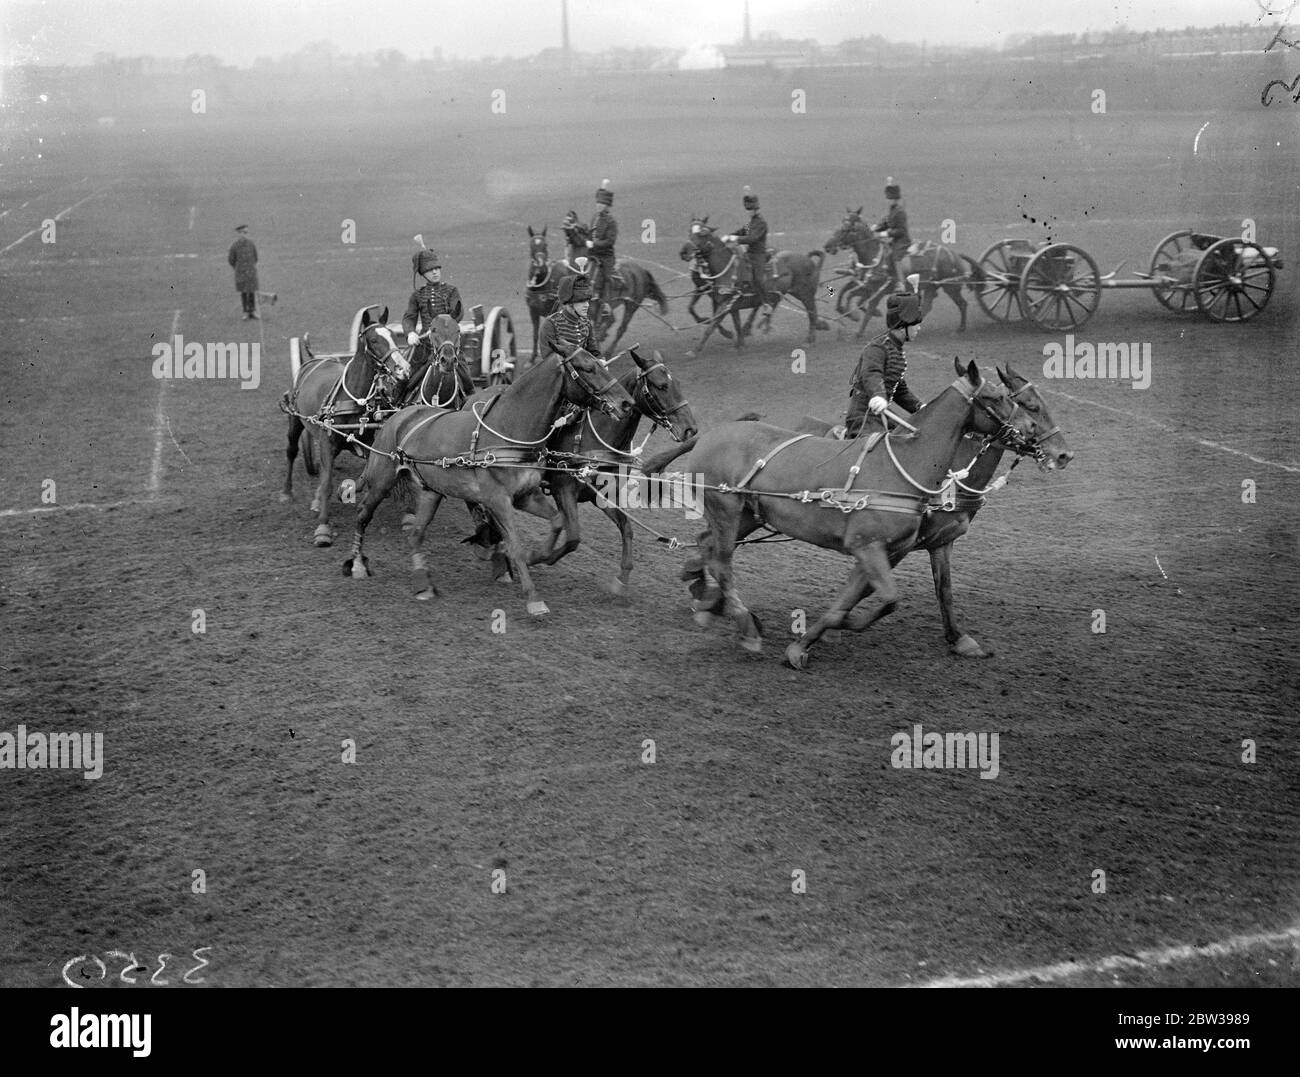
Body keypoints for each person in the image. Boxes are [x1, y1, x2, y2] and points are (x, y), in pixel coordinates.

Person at [844, 291, 923, 438]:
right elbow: (871, 374)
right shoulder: (877, 348)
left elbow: (899, 390)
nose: (919, 328)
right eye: (916, 325)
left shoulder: (895, 349)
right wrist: (878, 395)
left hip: (881, 415)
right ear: (902, 326)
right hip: (863, 417)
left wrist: (921, 408)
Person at [402, 247, 464, 396]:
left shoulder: (451, 290)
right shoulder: (418, 295)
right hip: (425, 344)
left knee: (464, 373)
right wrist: (410, 333)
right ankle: (397, 403)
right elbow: (409, 317)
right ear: (423, 274)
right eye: (431, 270)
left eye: (437, 268)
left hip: (448, 340)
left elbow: (458, 313)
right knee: (405, 376)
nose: (435, 272)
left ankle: (469, 398)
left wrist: (441, 327)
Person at [537, 273, 601, 366]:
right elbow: (549, 361)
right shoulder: (551, 324)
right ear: (569, 303)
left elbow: (594, 352)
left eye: (587, 301)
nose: (587, 305)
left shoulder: (586, 323)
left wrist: (600, 361)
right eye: (582, 301)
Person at [723, 186, 770, 311]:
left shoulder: (761, 223)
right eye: (747, 209)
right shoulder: (751, 222)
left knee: (759, 279)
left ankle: (767, 303)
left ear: (756, 209)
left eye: (751, 209)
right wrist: (729, 236)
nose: (748, 211)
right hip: (749, 253)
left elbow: (752, 238)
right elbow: (742, 231)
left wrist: (736, 240)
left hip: (758, 255)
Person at [585, 180, 618, 327]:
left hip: (606, 257)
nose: (597, 205)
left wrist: (595, 243)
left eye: (600, 204)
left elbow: (610, 242)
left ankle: (606, 307)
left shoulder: (611, 222)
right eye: (597, 203)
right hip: (593, 255)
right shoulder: (595, 217)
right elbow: (589, 234)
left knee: (606, 279)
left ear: (606, 206)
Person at [874, 177, 912, 291]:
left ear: (895, 199)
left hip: (902, 241)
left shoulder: (900, 212)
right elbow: (886, 222)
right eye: (888, 198)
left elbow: (901, 230)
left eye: (891, 199)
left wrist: (886, 233)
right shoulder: (892, 210)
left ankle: (902, 283)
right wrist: (876, 228)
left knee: (895, 258)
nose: (889, 200)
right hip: (894, 240)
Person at [228, 225, 261, 319]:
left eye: (247, 232)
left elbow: (255, 257)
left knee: (251, 292)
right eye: (244, 233)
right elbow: (231, 259)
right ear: (239, 234)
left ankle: (252, 310)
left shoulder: (251, 244)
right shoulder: (235, 246)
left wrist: (251, 267)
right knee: (243, 292)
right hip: (241, 272)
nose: (246, 235)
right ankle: (245, 311)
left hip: (251, 272)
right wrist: (238, 268)